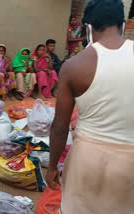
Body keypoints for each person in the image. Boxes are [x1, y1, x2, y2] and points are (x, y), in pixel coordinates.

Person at [47, 0, 134, 213]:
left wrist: (51, 167)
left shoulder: (74, 66)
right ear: (122, 24)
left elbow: (60, 126)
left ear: (88, 27)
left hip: (86, 161)